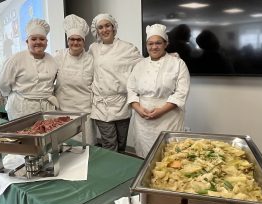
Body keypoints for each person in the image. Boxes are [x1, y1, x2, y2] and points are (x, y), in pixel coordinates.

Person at [127, 24, 190, 158]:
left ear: (165, 44)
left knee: (169, 156)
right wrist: (138, 109)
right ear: (146, 45)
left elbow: (181, 93)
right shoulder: (139, 65)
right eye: (150, 43)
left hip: (169, 118)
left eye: (158, 43)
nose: (154, 47)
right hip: (142, 120)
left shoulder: (178, 64)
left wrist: (160, 111)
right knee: (145, 156)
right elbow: (131, 90)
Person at [89, 13, 142, 152]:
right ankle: (111, 172)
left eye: (107, 26)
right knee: (109, 144)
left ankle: (121, 171)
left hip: (122, 103)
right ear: (97, 31)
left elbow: (144, 65)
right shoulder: (93, 49)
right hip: (101, 105)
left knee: (121, 143)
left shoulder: (128, 48)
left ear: (114, 27)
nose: (104, 30)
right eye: (100, 27)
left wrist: (167, 57)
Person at [0, 19, 58, 120]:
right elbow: (2, 84)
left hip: (47, 108)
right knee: (23, 135)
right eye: (33, 39)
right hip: (22, 109)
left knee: (47, 134)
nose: (38, 42)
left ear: (47, 42)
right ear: (27, 41)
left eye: (42, 39)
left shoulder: (52, 60)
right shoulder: (16, 59)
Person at [54, 14, 96, 145]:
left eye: (79, 39)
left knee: (86, 148)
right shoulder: (58, 57)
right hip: (62, 113)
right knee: (64, 148)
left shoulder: (91, 59)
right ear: (68, 40)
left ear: (84, 41)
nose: (75, 42)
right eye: (72, 39)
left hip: (84, 114)